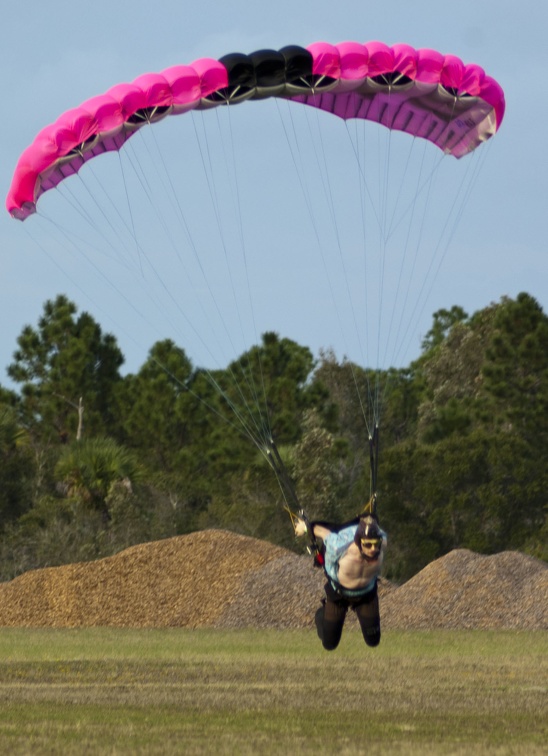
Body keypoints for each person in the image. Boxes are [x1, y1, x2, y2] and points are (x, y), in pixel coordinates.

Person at [294, 513, 387, 651]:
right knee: (329, 644)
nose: (373, 549)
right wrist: (305, 527)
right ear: (358, 542)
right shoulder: (339, 546)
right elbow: (322, 532)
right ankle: (322, 613)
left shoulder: (383, 540)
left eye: (376, 544)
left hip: (366, 595)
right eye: (368, 545)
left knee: (373, 641)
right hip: (339, 594)